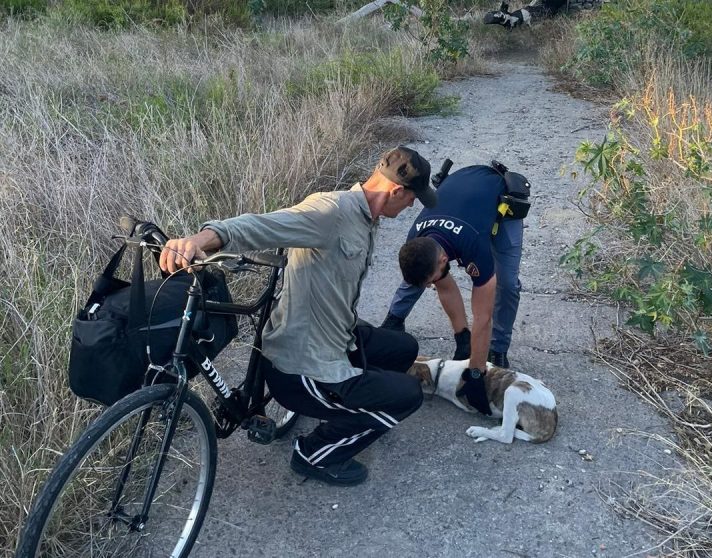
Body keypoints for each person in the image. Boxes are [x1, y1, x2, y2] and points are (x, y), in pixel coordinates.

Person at [159, 146, 438, 486]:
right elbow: (260, 225)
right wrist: (197, 240)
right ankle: (314, 455)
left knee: (404, 348)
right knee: (408, 394)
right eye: (413, 199)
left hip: (337, 338)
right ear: (397, 191)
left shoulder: (367, 217)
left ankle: (356, 410)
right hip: (303, 366)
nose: (412, 206)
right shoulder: (331, 210)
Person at [380, 162, 530, 415]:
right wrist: (462, 337)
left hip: (501, 197)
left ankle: (500, 348)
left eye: (434, 278)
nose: (432, 286)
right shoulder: (417, 239)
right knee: (420, 275)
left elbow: (483, 317)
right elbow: (445, 286)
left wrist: (476, 371)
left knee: (507, 284)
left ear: (443, 260)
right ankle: (393, 321)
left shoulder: (474, 246)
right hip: (460, 189)